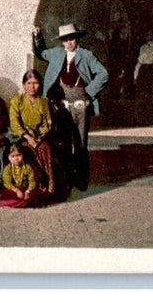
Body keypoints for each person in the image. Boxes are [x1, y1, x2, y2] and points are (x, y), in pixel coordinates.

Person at [32, 23, 109, 190]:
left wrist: (89, 92)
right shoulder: (56, 53)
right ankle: (66, 179)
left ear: (77, 39)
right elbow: (41, 53)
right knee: (64, 141)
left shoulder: (86, 55)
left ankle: (81, 180)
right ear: (62, 41)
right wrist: (37, 37)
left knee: (80, 142)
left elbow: (103, 74)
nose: (69, 43)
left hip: (81, 101)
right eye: (66, 40)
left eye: (72, 39)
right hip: (61, 102)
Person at [8, 69, 68, 201]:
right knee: (25, 152)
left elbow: (48, 122)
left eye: (35, 83)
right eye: (29, 83)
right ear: (24, 85)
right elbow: (14, 123)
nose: (32, 87)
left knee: (45, 149)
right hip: (22, 137)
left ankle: (49, 188)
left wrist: (39, 138)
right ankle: (31, 188)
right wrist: (28, 137)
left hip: (40, 137)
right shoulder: (17, 101)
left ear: (40, 84)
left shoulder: (44, 101)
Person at [0, 143, 43, 208]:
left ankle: (21, 202)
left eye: (18, 155)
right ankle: (19, 202)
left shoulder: (27, 167)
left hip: (26, 189)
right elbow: (7, 182)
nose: (16, 158)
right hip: (13, 189)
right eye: (12, 156)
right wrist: (16, 190)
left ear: (23, 155)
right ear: (8, 157)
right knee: (4, 196)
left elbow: (32, 181)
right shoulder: (8, 168)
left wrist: (28, 191)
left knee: (33, 196)